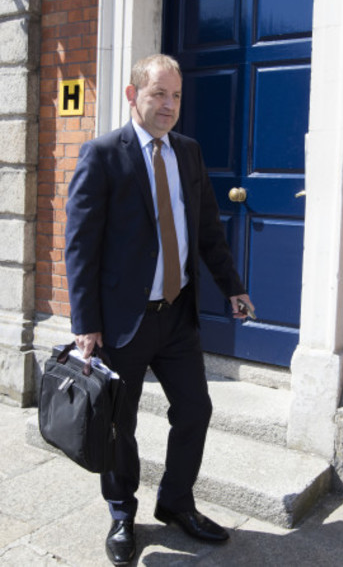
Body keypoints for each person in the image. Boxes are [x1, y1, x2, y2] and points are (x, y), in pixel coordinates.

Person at [65, 53, 254, 566]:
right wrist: (85, 324)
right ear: (133, 96)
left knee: (195, 410)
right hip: (121, 321)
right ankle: (122, 511)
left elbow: (207, 229)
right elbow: (80, 245)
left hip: (176, 315)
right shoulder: (102, 154)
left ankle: (175, 503)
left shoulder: (188, 153)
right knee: (118, 425)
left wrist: (231, 286)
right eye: (158, 95)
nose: (169, 105)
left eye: (175, 96)